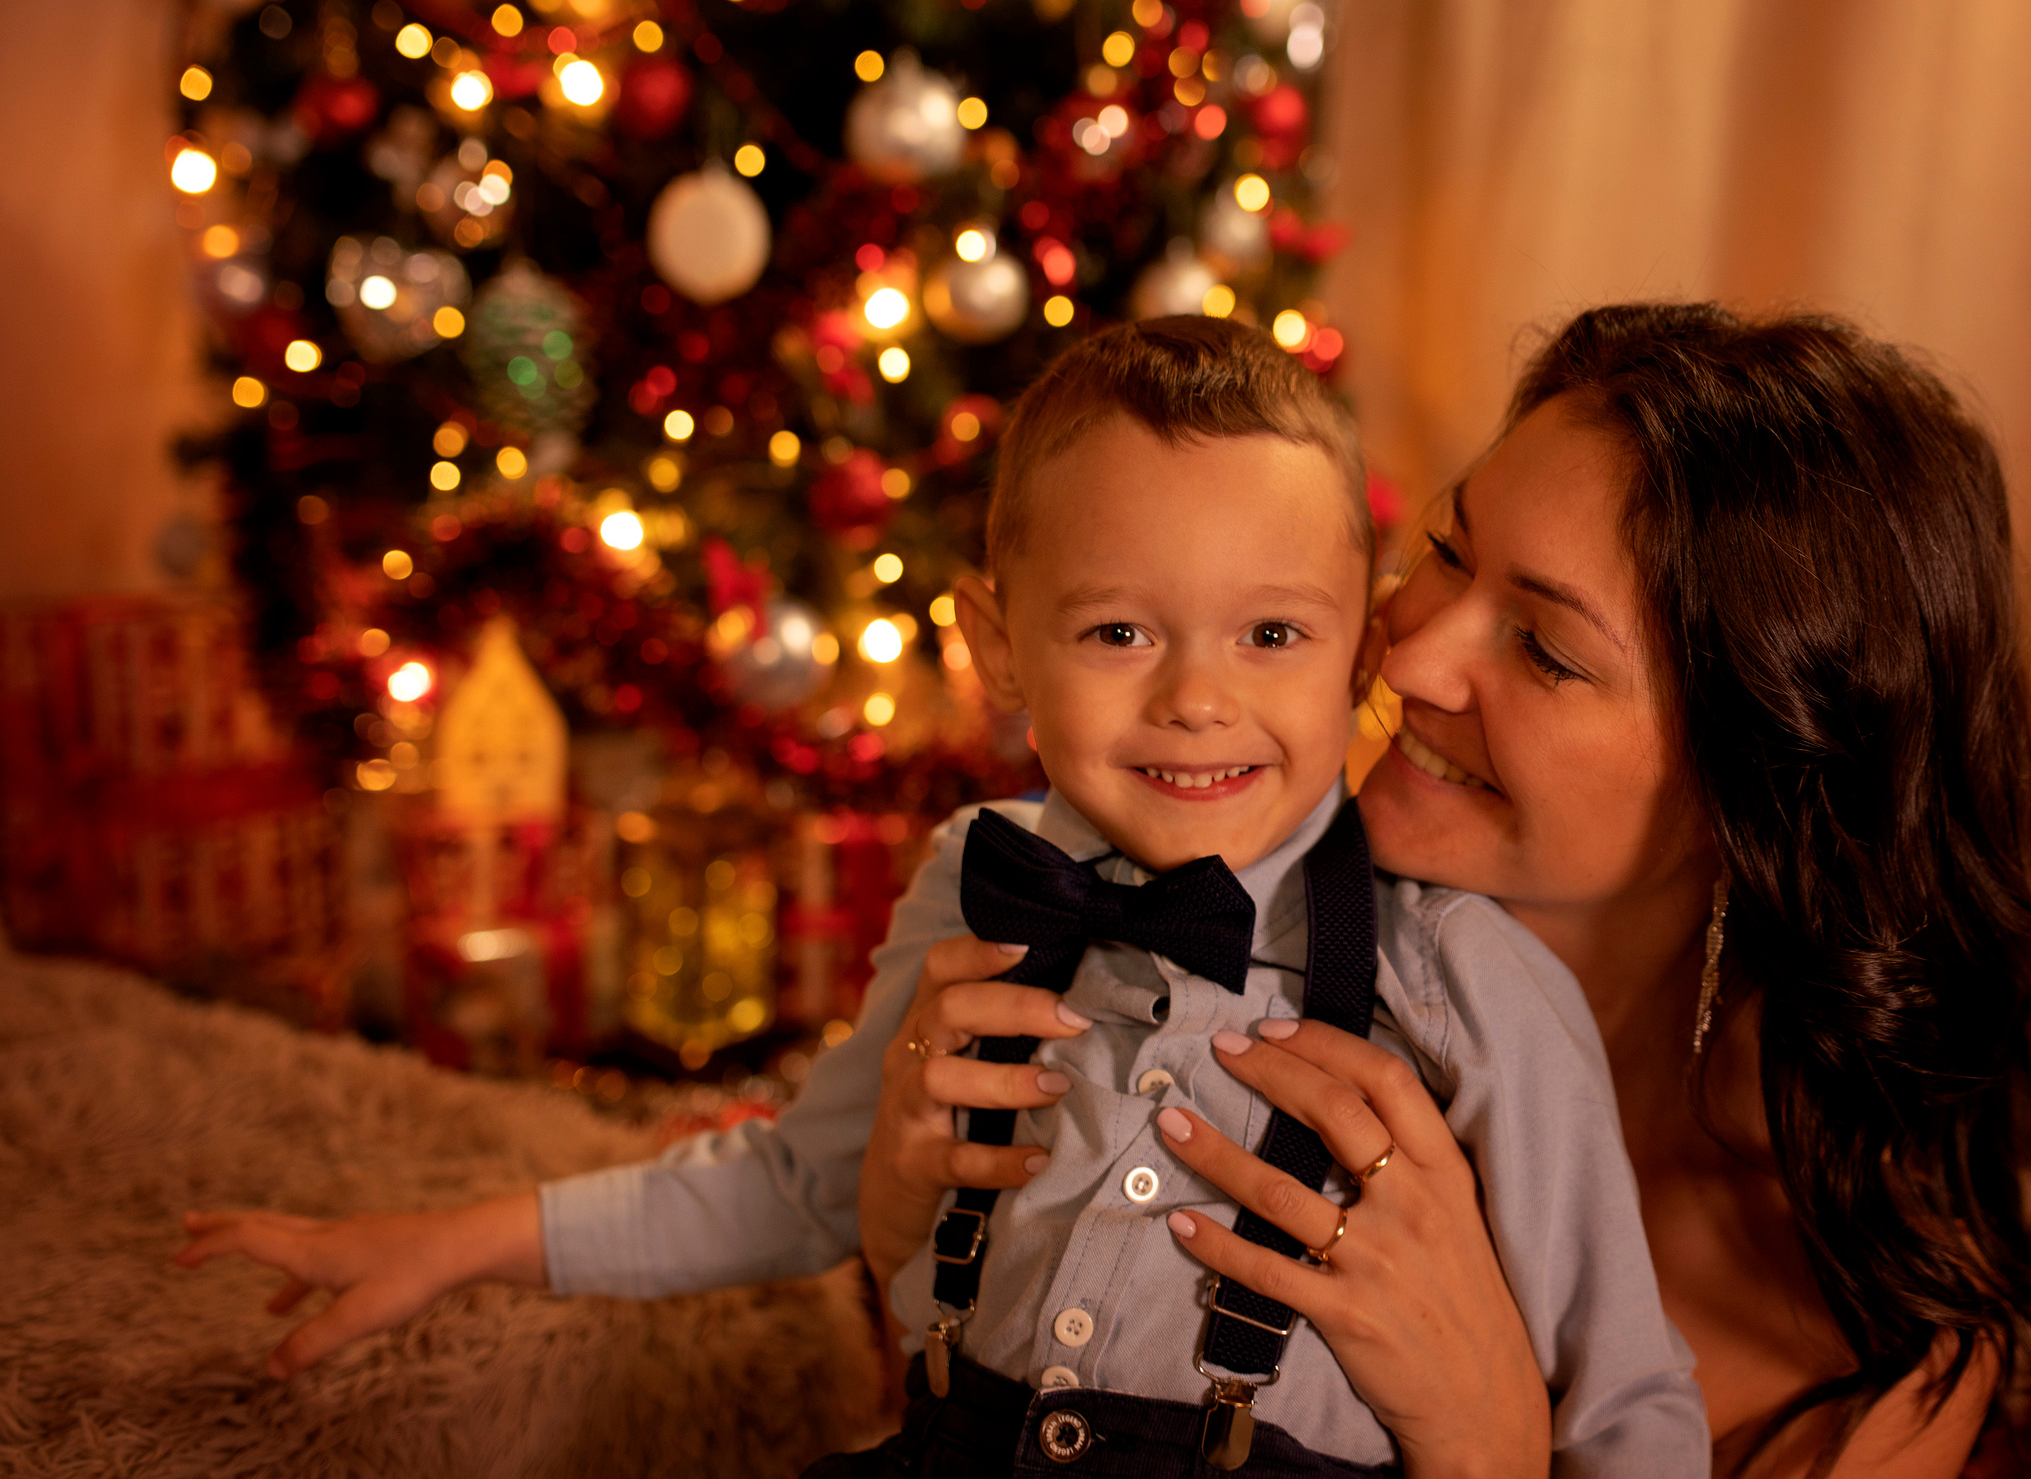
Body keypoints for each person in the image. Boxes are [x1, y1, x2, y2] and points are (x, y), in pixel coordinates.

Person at [177, 317, 1709, 1477]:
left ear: (1357, 644)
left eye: (1272, 634)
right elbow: (800, 1180)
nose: (1196, 700)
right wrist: (454, 1239)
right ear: (997, 647)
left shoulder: (1475, 985)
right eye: (1118, 631)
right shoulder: (978, 872)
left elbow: (1628, 1402)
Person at [866, 304, 2031, 1476]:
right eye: (1446, 553)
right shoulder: (1181, 942)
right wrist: (901, 1208)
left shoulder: (1863, 1358)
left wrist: (1490, 1448)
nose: (1412, 654)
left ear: (1749, 788)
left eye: (1547, 649)